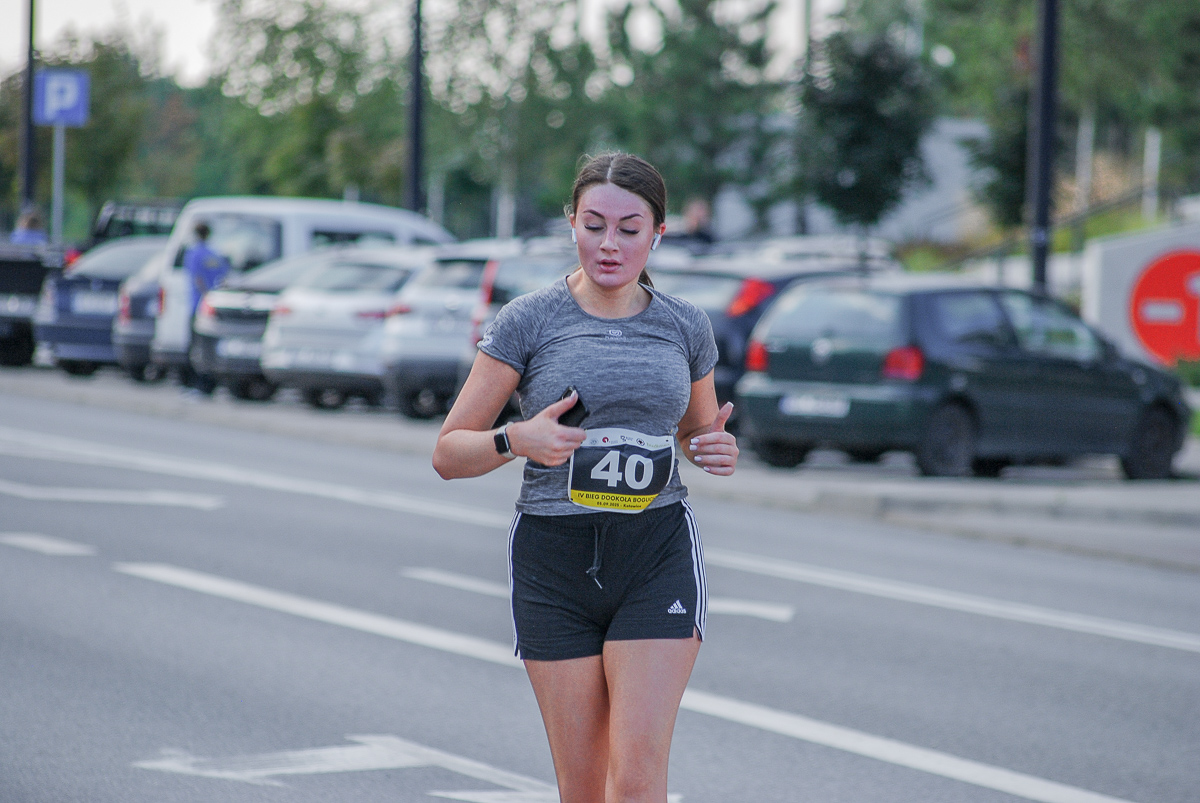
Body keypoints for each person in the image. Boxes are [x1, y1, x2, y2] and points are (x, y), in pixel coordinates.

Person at [433, 152, 738, 803]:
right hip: (554, 559)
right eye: (594, 225)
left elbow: (695, 432)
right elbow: (449, 453)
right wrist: (516, 438)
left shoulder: (684, 324)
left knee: (636, 779)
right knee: (583, 788)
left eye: (630, 229)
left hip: (654, 551)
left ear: (658, 233)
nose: (609, 244)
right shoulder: (529, 320)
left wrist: (711, 446)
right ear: (571, 222)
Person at [180, 221, 230, 395]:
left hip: (198, 305)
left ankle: (196, 384)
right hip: (213, 306)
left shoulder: (194, 253)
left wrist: (204, 296)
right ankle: (210, 382)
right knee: (209, 346)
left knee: (195, 347)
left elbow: (197, 279)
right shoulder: (214, 254)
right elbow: (223, 277)